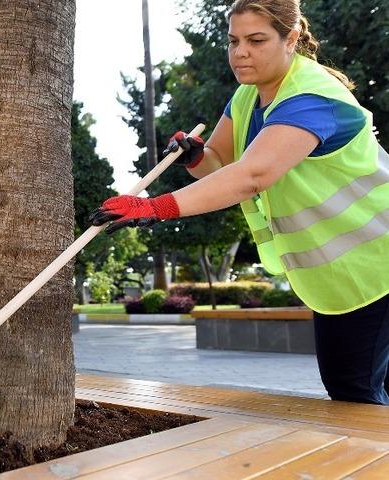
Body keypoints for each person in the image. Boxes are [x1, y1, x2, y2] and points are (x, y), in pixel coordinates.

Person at [91, 0, 389, 405]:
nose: (240, 52)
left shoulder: (312, 97)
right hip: (355, 271)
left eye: (256, 40)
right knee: (358, 389)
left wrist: (153, 207)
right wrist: (196, 156)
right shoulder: (248, 97)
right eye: (233, 41)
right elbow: (218, 165)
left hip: (377, 262)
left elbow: (253, 175)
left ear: (292, 39)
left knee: (355, 392)